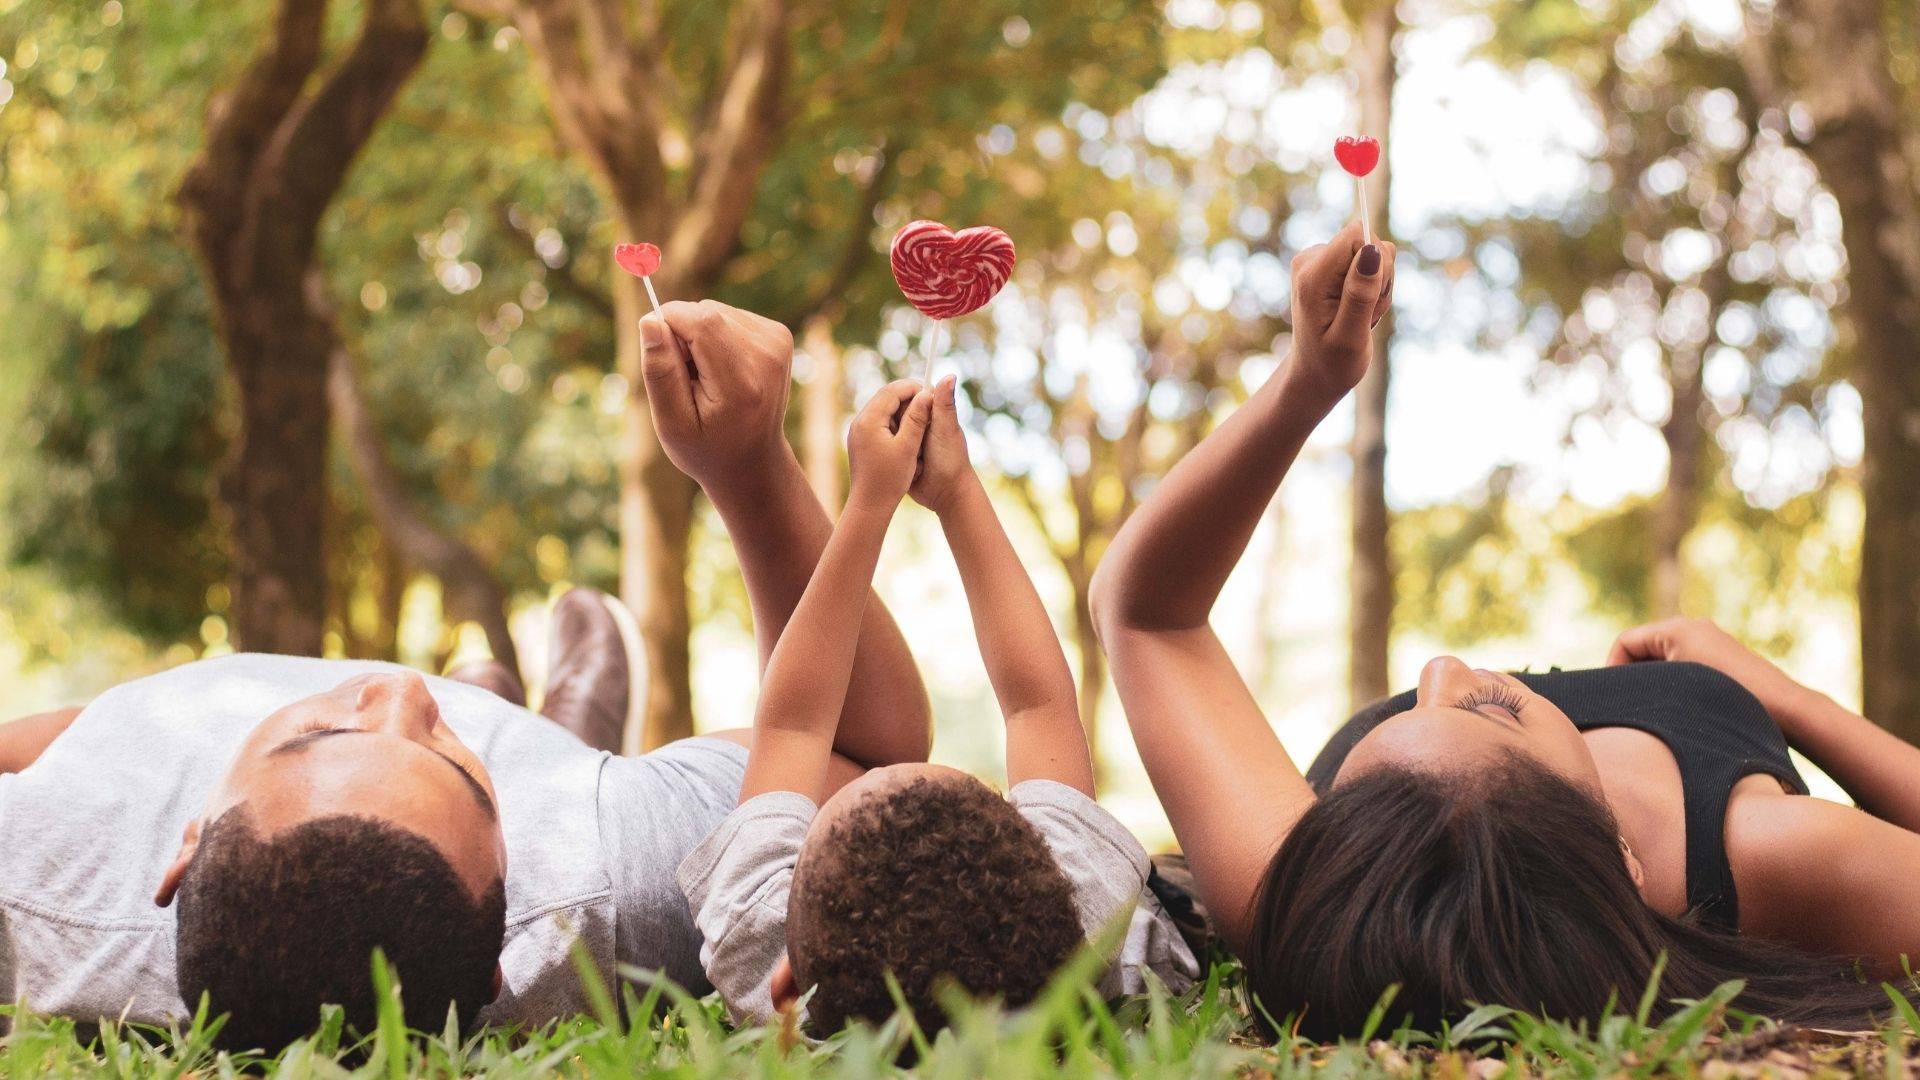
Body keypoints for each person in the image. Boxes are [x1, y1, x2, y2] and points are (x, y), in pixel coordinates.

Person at [0, 301, 933, 1050]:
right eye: (456, 759)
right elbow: (869, 747)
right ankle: (547, 726)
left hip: (105, 767)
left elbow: (81, 738)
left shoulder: (38, 865)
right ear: (503, 959)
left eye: (323, 731)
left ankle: (496, 703)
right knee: (505, 721)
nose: (404, 690)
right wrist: (749, 470)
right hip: (583, 798)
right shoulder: (605, 885)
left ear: (184, 843)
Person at [1090, 221, 1915, 1039]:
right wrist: (1785, 698)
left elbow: (1146, 614)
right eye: (1492, 710)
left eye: (1350, 794)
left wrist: (1308, 383)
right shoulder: (1775, 854)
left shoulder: (1313, 898)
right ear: (1621, 863)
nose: (1441, 667)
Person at [677, 374, 1199, 1036]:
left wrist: (869, 502)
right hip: (1181, 905)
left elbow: (796, 723)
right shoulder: (1091, 915)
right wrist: (957, 493)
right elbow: (1036, 708)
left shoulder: (766, 956)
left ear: (787, 989)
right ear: (1051, 863)